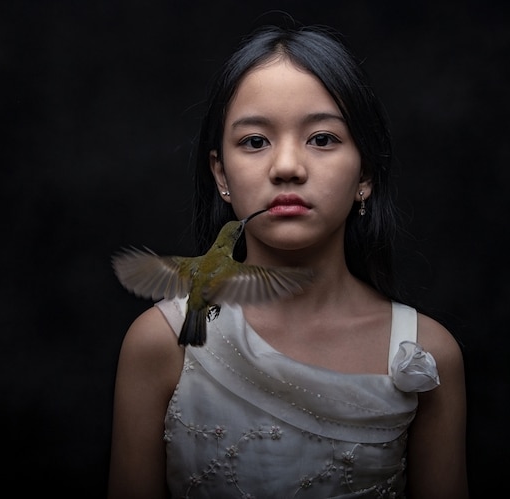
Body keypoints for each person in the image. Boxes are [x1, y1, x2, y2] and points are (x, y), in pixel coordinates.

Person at [108, 21, 468, 499]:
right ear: (221, 173)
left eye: (322, 139)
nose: (286, 167)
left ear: (366, 174)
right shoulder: (161, 343)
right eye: (255, 141)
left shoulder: (428, 353)